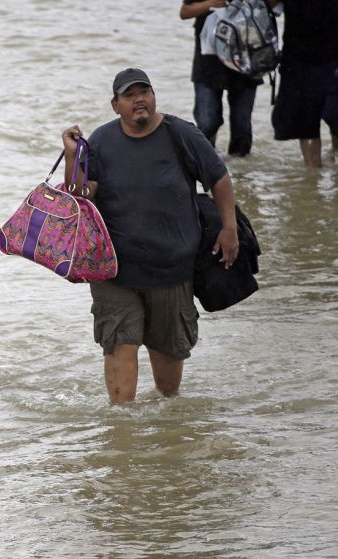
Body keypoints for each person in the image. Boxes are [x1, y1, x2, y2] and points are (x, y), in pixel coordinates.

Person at [61, 69, 239, 404]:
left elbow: (219, 178)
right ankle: (122, 437)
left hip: (171, 271)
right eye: (130, 95)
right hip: (114, 271)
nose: (139, 99)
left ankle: (163, 436)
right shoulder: (101, 140)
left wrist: (229, 229)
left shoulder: (181, 134)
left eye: (145, 91)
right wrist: (72, 155)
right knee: (119, 347)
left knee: (168, 389)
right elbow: (79, 195)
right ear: (116, 105)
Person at [180, 0, 261, 156]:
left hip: (246, 58)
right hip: (208, 60)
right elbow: (184, 12)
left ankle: (242, 176)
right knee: (207, 123)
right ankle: (207, 167)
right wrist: (212, 3)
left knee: (242, 127)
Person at [268, 0, 338, 167]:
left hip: (332, 59)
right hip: (298, 60)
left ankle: (334, 154)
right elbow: (270, 6)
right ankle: (313, 172)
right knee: (305, 123)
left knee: (334, 114)